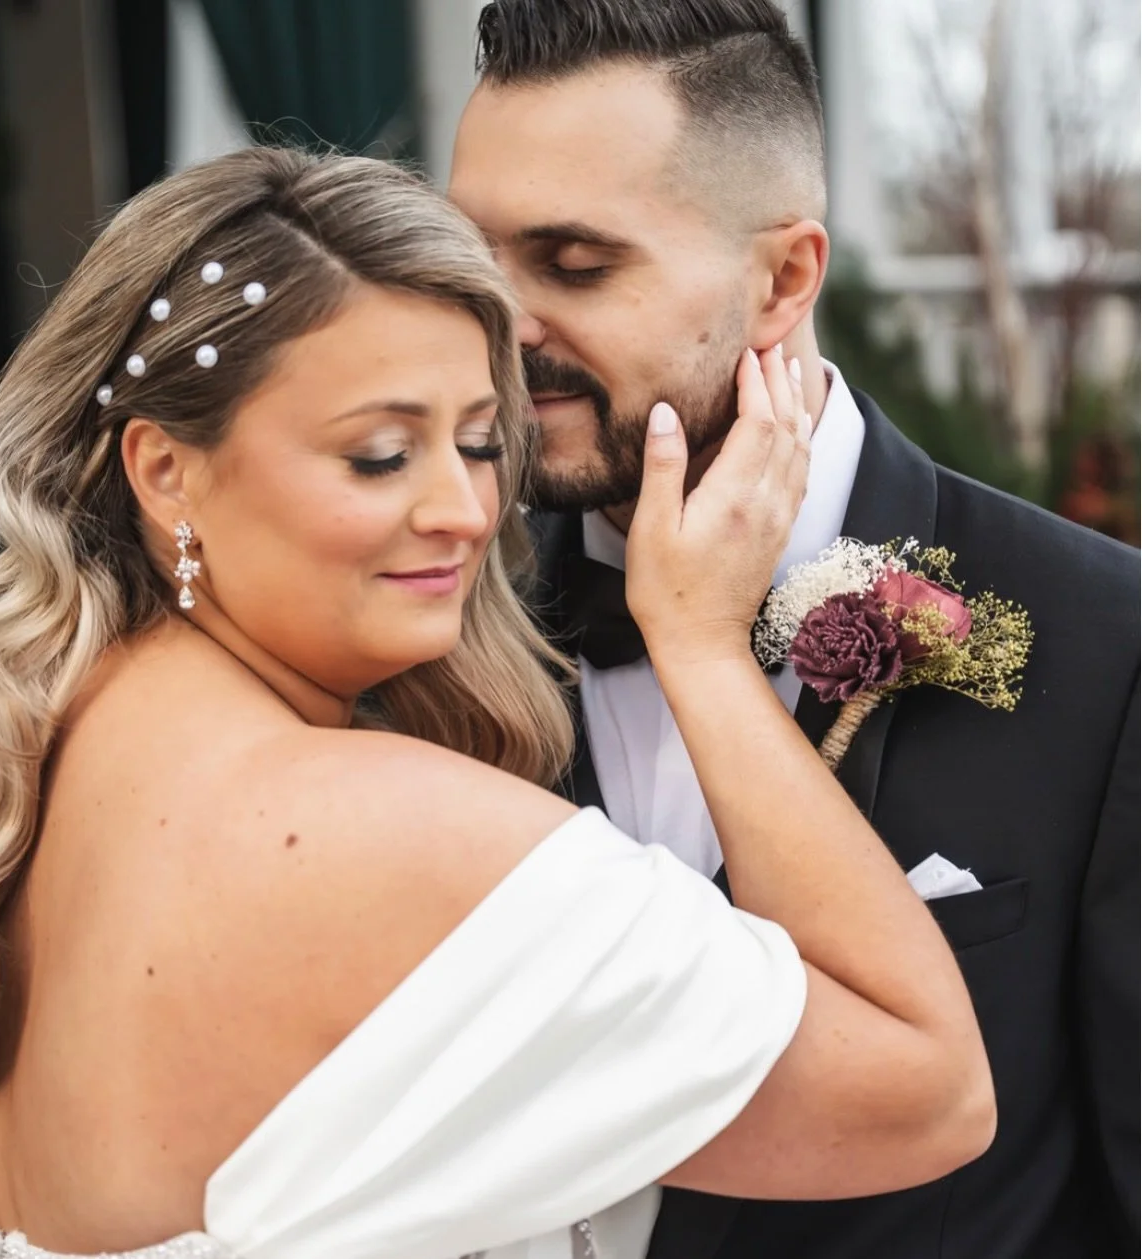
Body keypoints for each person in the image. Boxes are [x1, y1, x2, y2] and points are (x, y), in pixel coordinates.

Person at [0, 145, 992, 1259]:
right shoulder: (372, 828)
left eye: (476, 443)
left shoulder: (32, 767)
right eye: (379, 455)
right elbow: (927, 1089)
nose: (464, 509)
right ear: (165, 470)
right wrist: (701, 646)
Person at [448, 3, 1141, 1258]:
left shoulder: (1107, 644)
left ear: (781, 279)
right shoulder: (428, 636)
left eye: (574, 263)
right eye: (470, 258)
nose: (502, 322)